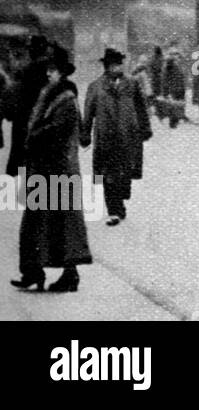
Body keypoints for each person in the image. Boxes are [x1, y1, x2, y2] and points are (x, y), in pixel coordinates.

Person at [11, 44, 90, 293]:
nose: (49, 74)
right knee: (40, 223)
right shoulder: (51, 94)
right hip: (47, 168)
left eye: (53, 70)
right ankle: (34, 271)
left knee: (60, 225)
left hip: (59, 170)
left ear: (62, 72)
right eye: (49, 70)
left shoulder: (65, 99)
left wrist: (33, 137)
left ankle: (67, 274)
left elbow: (57, 131)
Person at [82, 48, 151, 226]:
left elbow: (141, 108)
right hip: (106, 137)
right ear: (107, 67)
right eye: (114, 65)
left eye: (120, 64)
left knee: (124, 173)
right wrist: (85, 133)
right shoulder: (96, 86)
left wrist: (145, 128)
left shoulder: (132, 84)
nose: (118, 67)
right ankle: (114, 210)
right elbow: (88, 112)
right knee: (107, 174)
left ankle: (119, 201)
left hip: (128, 135)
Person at [6, 34, 50, 178]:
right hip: (44, 125)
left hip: (24, 124)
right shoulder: (52, 73)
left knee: (21, 165)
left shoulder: (25, 73)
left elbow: (12, 107)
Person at [161, 46, 187, 128]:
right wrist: (166, 90)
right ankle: (173, 122)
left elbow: (180, 76)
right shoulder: (170, 64)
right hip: (174, 88)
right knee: (174, 104)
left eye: (177, 54)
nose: (177, 56)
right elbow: (165, 78)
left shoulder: (177, 64)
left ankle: (179, 117)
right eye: (175, 54)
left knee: (179, 103)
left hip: (179, 87)